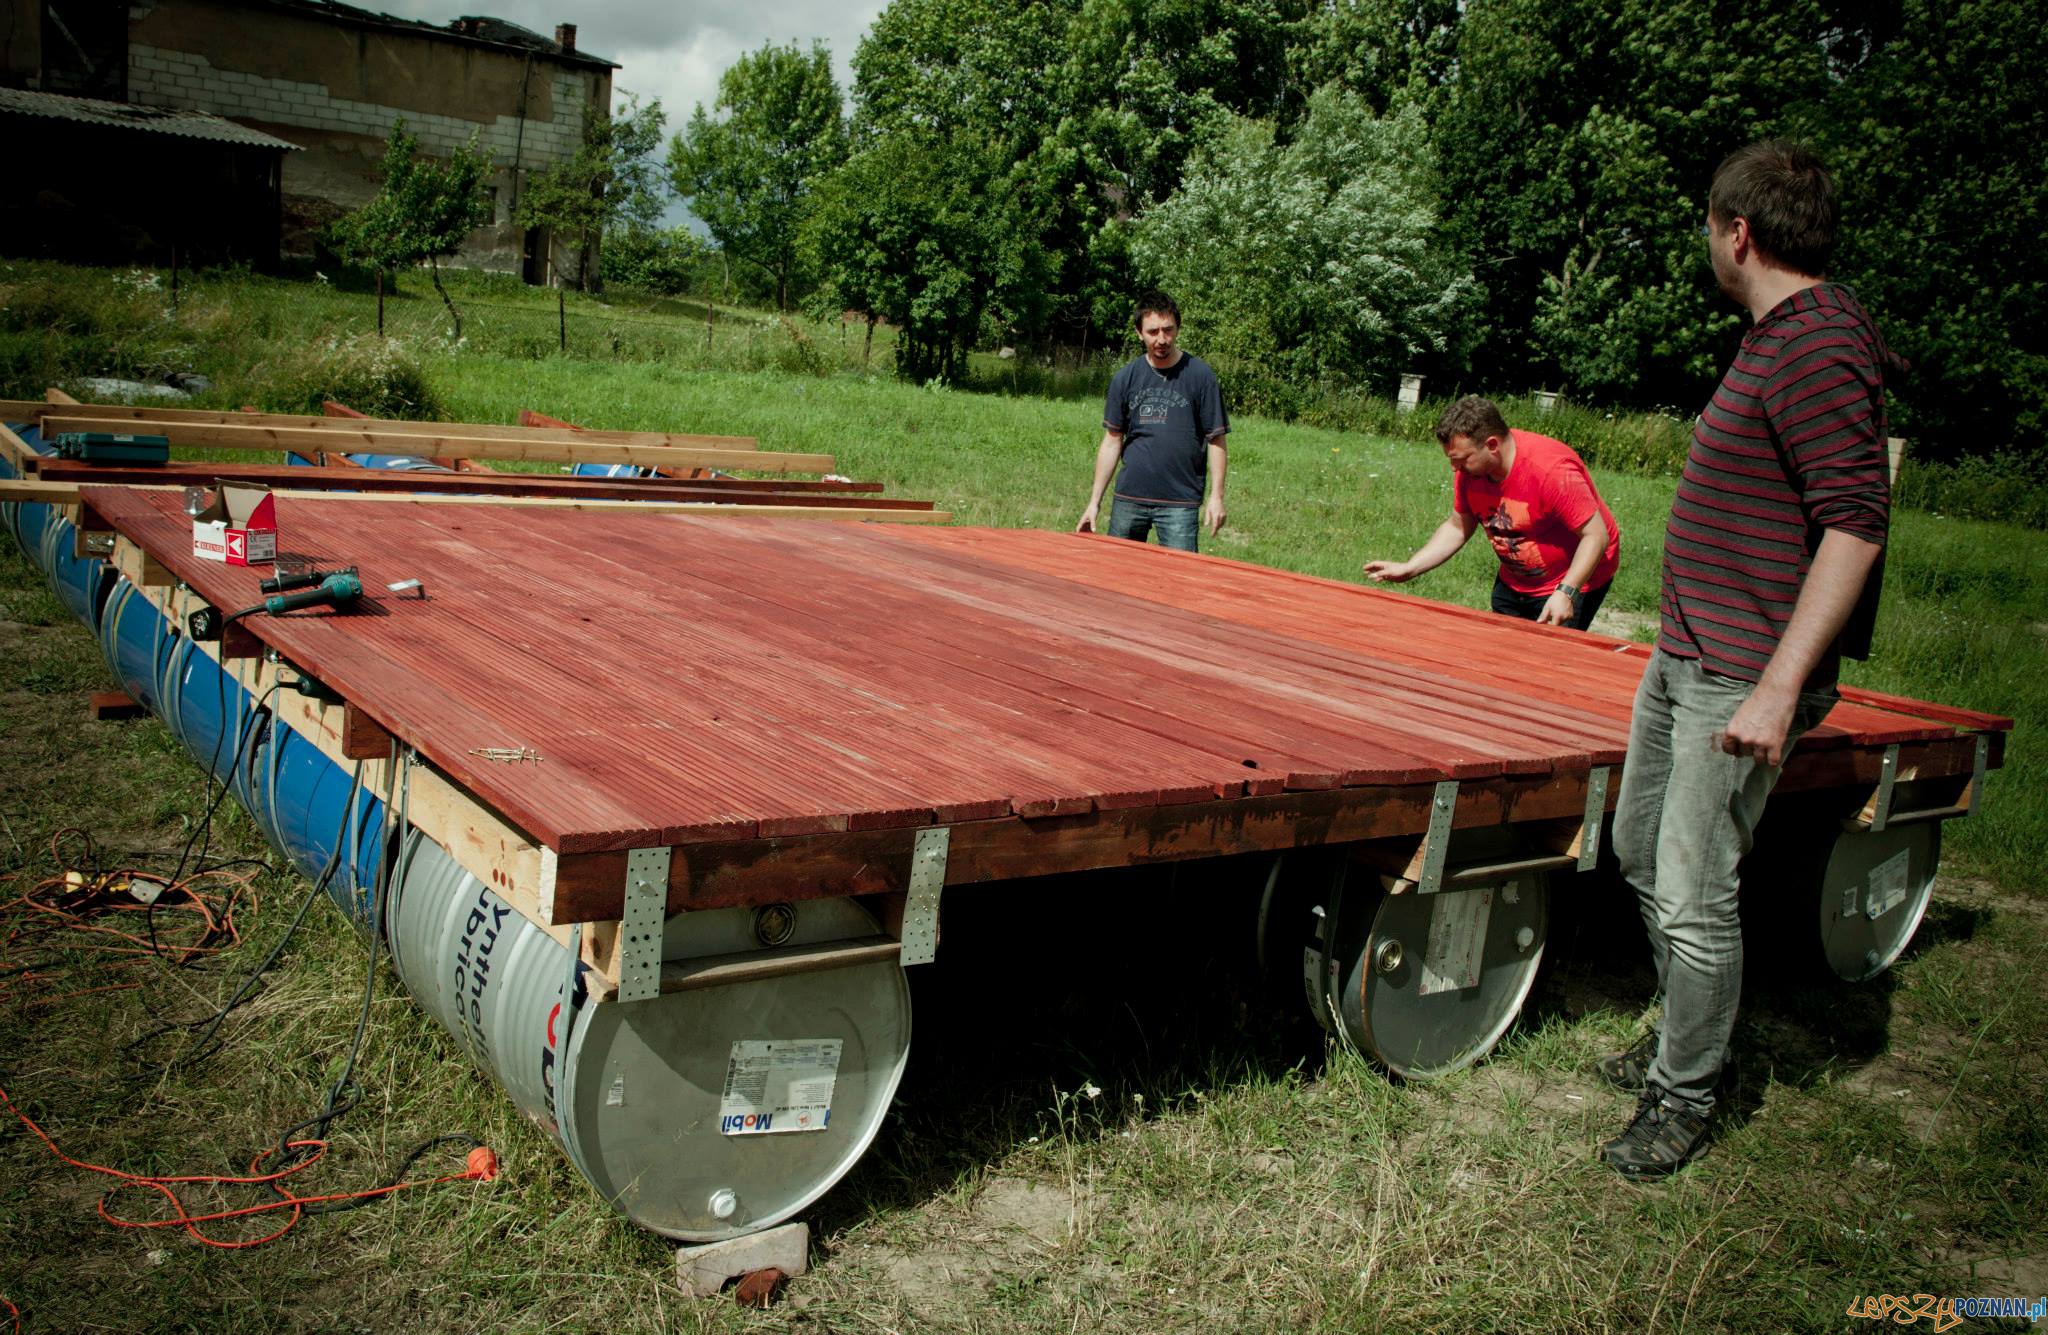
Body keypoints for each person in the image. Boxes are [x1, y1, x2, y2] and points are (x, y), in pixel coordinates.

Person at [1599, 140, 1897, 1178]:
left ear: (1738, 232)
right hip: (1683, 656)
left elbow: (1853, 525)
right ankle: (1685, 1029)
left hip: (1737, 676)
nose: (1704, 243)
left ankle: (1683, 1095)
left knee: (1692, 888)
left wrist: (1776, 691)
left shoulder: (1816, 346)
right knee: (1637, 851)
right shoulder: (1775, 337)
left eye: (1705, 226)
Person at [1363, 396, 1620, 630]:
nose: (1454, 468)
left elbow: (1595, 536)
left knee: (1548, 666)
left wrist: (1567, 592)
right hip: (1515, 579)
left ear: (1492, 445)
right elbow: (1457, 526)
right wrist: (1409, 568)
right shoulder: (1471, 472)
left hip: (1571, 578)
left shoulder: (1551, 471)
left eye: (1462, 459)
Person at [1076, 291, 1229, 552]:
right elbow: (1112, 442)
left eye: (1168, 330)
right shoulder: (1125, 378)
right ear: (1139, 332)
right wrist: (1094, 503)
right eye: (1153, 331)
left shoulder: (1201, 377)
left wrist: (1216, 497)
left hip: (1180, 503)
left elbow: (1216, 439)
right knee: (1117, 577)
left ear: (1177, 328)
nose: (1161, 339)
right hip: (1129, 498)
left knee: (1179, 582)